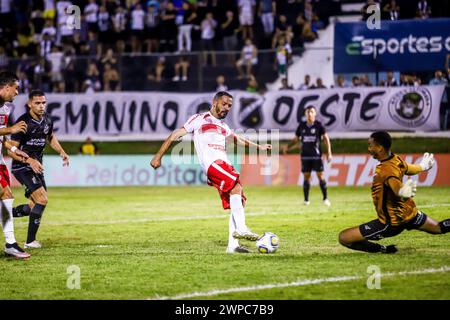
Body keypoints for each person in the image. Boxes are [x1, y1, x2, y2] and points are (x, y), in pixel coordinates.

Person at [150, 91, 272, 254]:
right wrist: (158, 157)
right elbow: (175, 135)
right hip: (212, 163)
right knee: (236, 187)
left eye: (229, 105)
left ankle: (233, 245)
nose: (227, 108)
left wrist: (260, 147)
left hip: (223, 163)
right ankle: (242, 228)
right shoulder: (198, 119)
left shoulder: (223, 126)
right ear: (215, 103)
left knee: (238, 198)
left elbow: (239, 139)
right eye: (224, 104)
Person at [338, 131, 449, 254]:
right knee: (438, 227)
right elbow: (409, 168)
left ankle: (384, 249)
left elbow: (396, 187)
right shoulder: (396, 159)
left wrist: (402, 191)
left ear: (380, 148)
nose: (368, 148)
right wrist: (422, 166)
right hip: (410, 214)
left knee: (344, 238)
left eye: (370, 145)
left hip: (391, 223)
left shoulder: (385, 169)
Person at [10, 90, 70, 249]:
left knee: (33, 205)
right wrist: (29, 161)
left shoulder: (47, 121)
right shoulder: (23, 123)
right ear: (30, 104)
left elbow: (50, 137)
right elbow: (11, 151)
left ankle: (4, 213)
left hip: (37, 167)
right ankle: (30, 241)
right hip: (22, 166)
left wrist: (61, 151)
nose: (41, 106)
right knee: (42, 199)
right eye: (37, 103)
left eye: (43, 102)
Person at [0, 71, 32, 259]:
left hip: (0, 160)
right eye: (16, 88)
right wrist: (11, 129)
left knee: (6, 195)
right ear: (5, 87)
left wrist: (13, 150)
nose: (17, 92)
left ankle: (10, 244)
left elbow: (3, 137)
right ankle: (10, 243)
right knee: (5, 196)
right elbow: (7, 130)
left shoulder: (6, 108)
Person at [282, 106, 332, 206]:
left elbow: (326, 138)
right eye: (308, 112)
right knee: (306, 177)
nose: (310, 114)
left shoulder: (319, 125)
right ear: (305, 114)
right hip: (305, 156)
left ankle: (325, 198)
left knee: (320, 176)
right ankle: (306, 200)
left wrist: (329, 152)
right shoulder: (302, 126)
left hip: (316, 156)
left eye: (312, 112)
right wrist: (288, 146)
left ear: (315, 113)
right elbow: (296, 139)